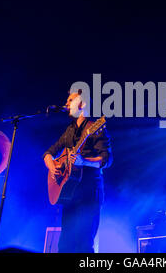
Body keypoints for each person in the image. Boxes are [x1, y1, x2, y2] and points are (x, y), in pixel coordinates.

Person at [42, 90, 112, 253]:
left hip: (89, 194)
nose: (66, 104)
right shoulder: (70, 130)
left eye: (70, 100)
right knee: (65, 245)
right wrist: (53, 166)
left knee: (84, 244)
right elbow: (48, 153)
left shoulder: (95, 127)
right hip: (70, 194)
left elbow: (107, 160)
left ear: (82, 105)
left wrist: (84, 161)